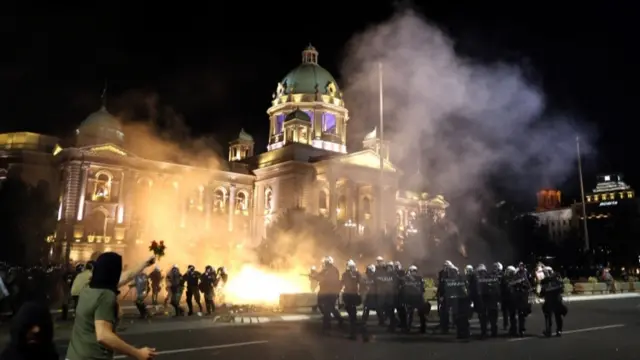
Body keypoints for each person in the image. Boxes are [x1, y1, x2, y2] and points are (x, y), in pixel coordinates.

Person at [65, 252, 157, 360]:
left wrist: (144, 263)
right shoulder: (106, 295)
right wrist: (138, 353)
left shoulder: (87, 288)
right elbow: (103, 335)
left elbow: (126, 276)